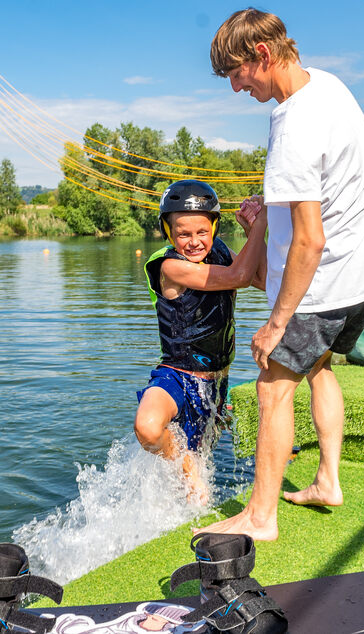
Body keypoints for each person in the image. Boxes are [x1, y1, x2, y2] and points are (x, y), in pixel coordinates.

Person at [196, 8, 364, 540]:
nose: (237, 88)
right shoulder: (326, 86)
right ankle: (327, 480)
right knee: (320, 365)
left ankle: (260, 517)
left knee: (271, 388)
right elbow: (322, 196)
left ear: (261, 55)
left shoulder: (293, 123)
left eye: (237, 74)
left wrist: (278, 321)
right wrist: (269, 213)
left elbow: (310, 239)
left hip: (325, 281)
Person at [135, 179, 267, 502]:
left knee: (195, 497)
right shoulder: (170, 267)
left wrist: (253, 234)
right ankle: (186, 466)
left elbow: (260, 279)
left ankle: (186, 505)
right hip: (177, 377)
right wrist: (263, 221)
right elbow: (239, 277)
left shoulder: (221, 252)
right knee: (149, 427)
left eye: (201, 232)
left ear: (215, 227)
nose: (193, 242)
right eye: (183, 234)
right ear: (169, 233)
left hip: (215, 389)